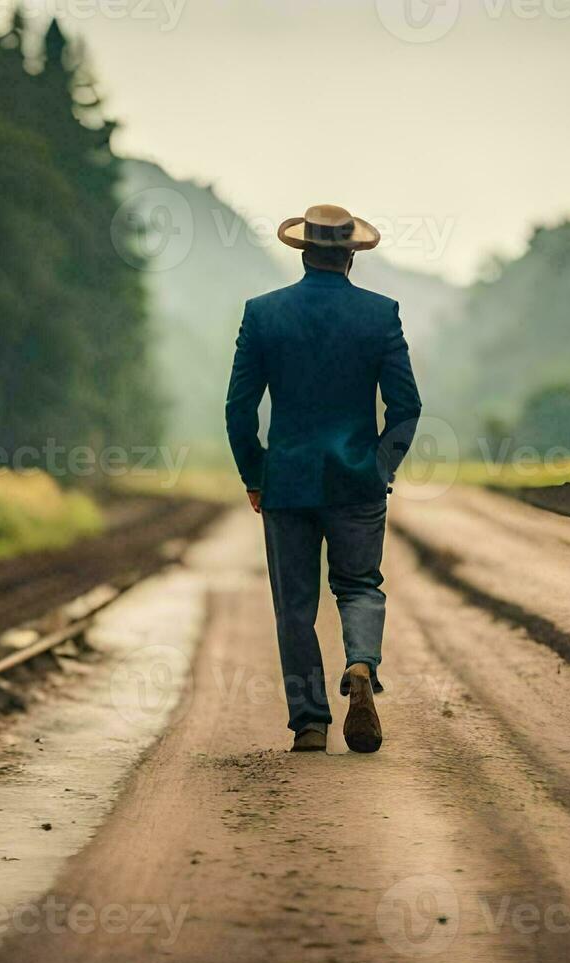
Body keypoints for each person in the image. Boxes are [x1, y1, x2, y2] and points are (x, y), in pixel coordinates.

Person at [224, 204, 422, 754]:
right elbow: (406, 407)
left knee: (294, 607)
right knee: (359, 585)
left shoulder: (262, 314)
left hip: (287, 483)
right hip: (356, 479)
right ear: (351, 258)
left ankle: (310, 723)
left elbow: (239, 408)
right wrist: (381, 466)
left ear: (305, 252)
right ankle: (360, 664)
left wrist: (255, 472)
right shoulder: (381, 315)